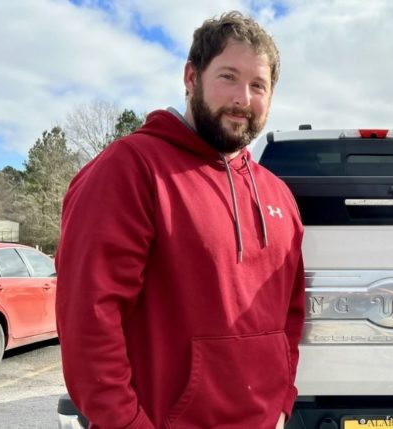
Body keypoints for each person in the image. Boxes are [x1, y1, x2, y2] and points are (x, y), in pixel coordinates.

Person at [56, 11, 305, 429]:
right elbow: (89, 318)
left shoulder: (278, 194)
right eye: (228, 76)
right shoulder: (130, 169)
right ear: (191, 77)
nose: (244, 97)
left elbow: (292, 312)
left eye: (258, 85)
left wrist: (282, 401)